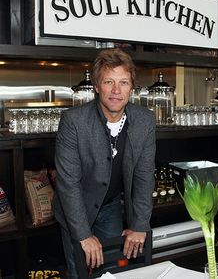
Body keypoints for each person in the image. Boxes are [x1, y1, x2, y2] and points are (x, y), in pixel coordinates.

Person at [53, 48, 156, 278]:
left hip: (109, 206)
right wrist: (83, 235)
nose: (116, 91)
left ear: (132, 87)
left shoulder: (144, 121)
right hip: (76, 207)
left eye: (124, 82)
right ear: (97, 86)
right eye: (109, 82)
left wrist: (140, 225)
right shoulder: (74, 121)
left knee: (110, 271)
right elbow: (68, 184)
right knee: (79, 269)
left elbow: (144, 176)